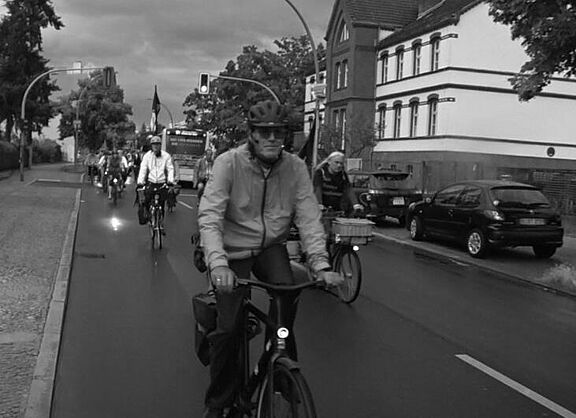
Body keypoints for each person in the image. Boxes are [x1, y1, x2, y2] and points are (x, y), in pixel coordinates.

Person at [198, 100, 343, 418]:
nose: (273, 138)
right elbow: (210, 216)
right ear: (252, 134)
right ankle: (218, 402)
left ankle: (279, 370)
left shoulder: (295, 168)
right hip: (232, 250)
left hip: (270, 248)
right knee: (228, 328)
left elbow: (308, 217)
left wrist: (321, 264)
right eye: (265, 132)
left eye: (279, 132)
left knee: (284, 306)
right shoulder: (228, 163)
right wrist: (218, 264)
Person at [137, 136, 175, 232]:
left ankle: (160, 223)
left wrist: (170, 181)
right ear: (151, 146)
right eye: (154, 144)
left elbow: (170, 169)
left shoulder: (166, 156)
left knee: (161, 203)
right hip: (151, 182)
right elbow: (143, 169)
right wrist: (140, 182)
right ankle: (149, 217)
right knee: (146, 200)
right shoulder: (147, 156)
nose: (155, 146)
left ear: (160, 145)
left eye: (157, 144)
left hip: (162, 183)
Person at [313, 151, 363, 215]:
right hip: (322, 207)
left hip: (336, 207)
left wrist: (356, 204)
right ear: (329, 162)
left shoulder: (343, 175)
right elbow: (317, 188)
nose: (339, 165)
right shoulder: (321, 172)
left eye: (341, 163)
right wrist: (319, 203)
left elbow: (348, 189)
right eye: (336, 162)